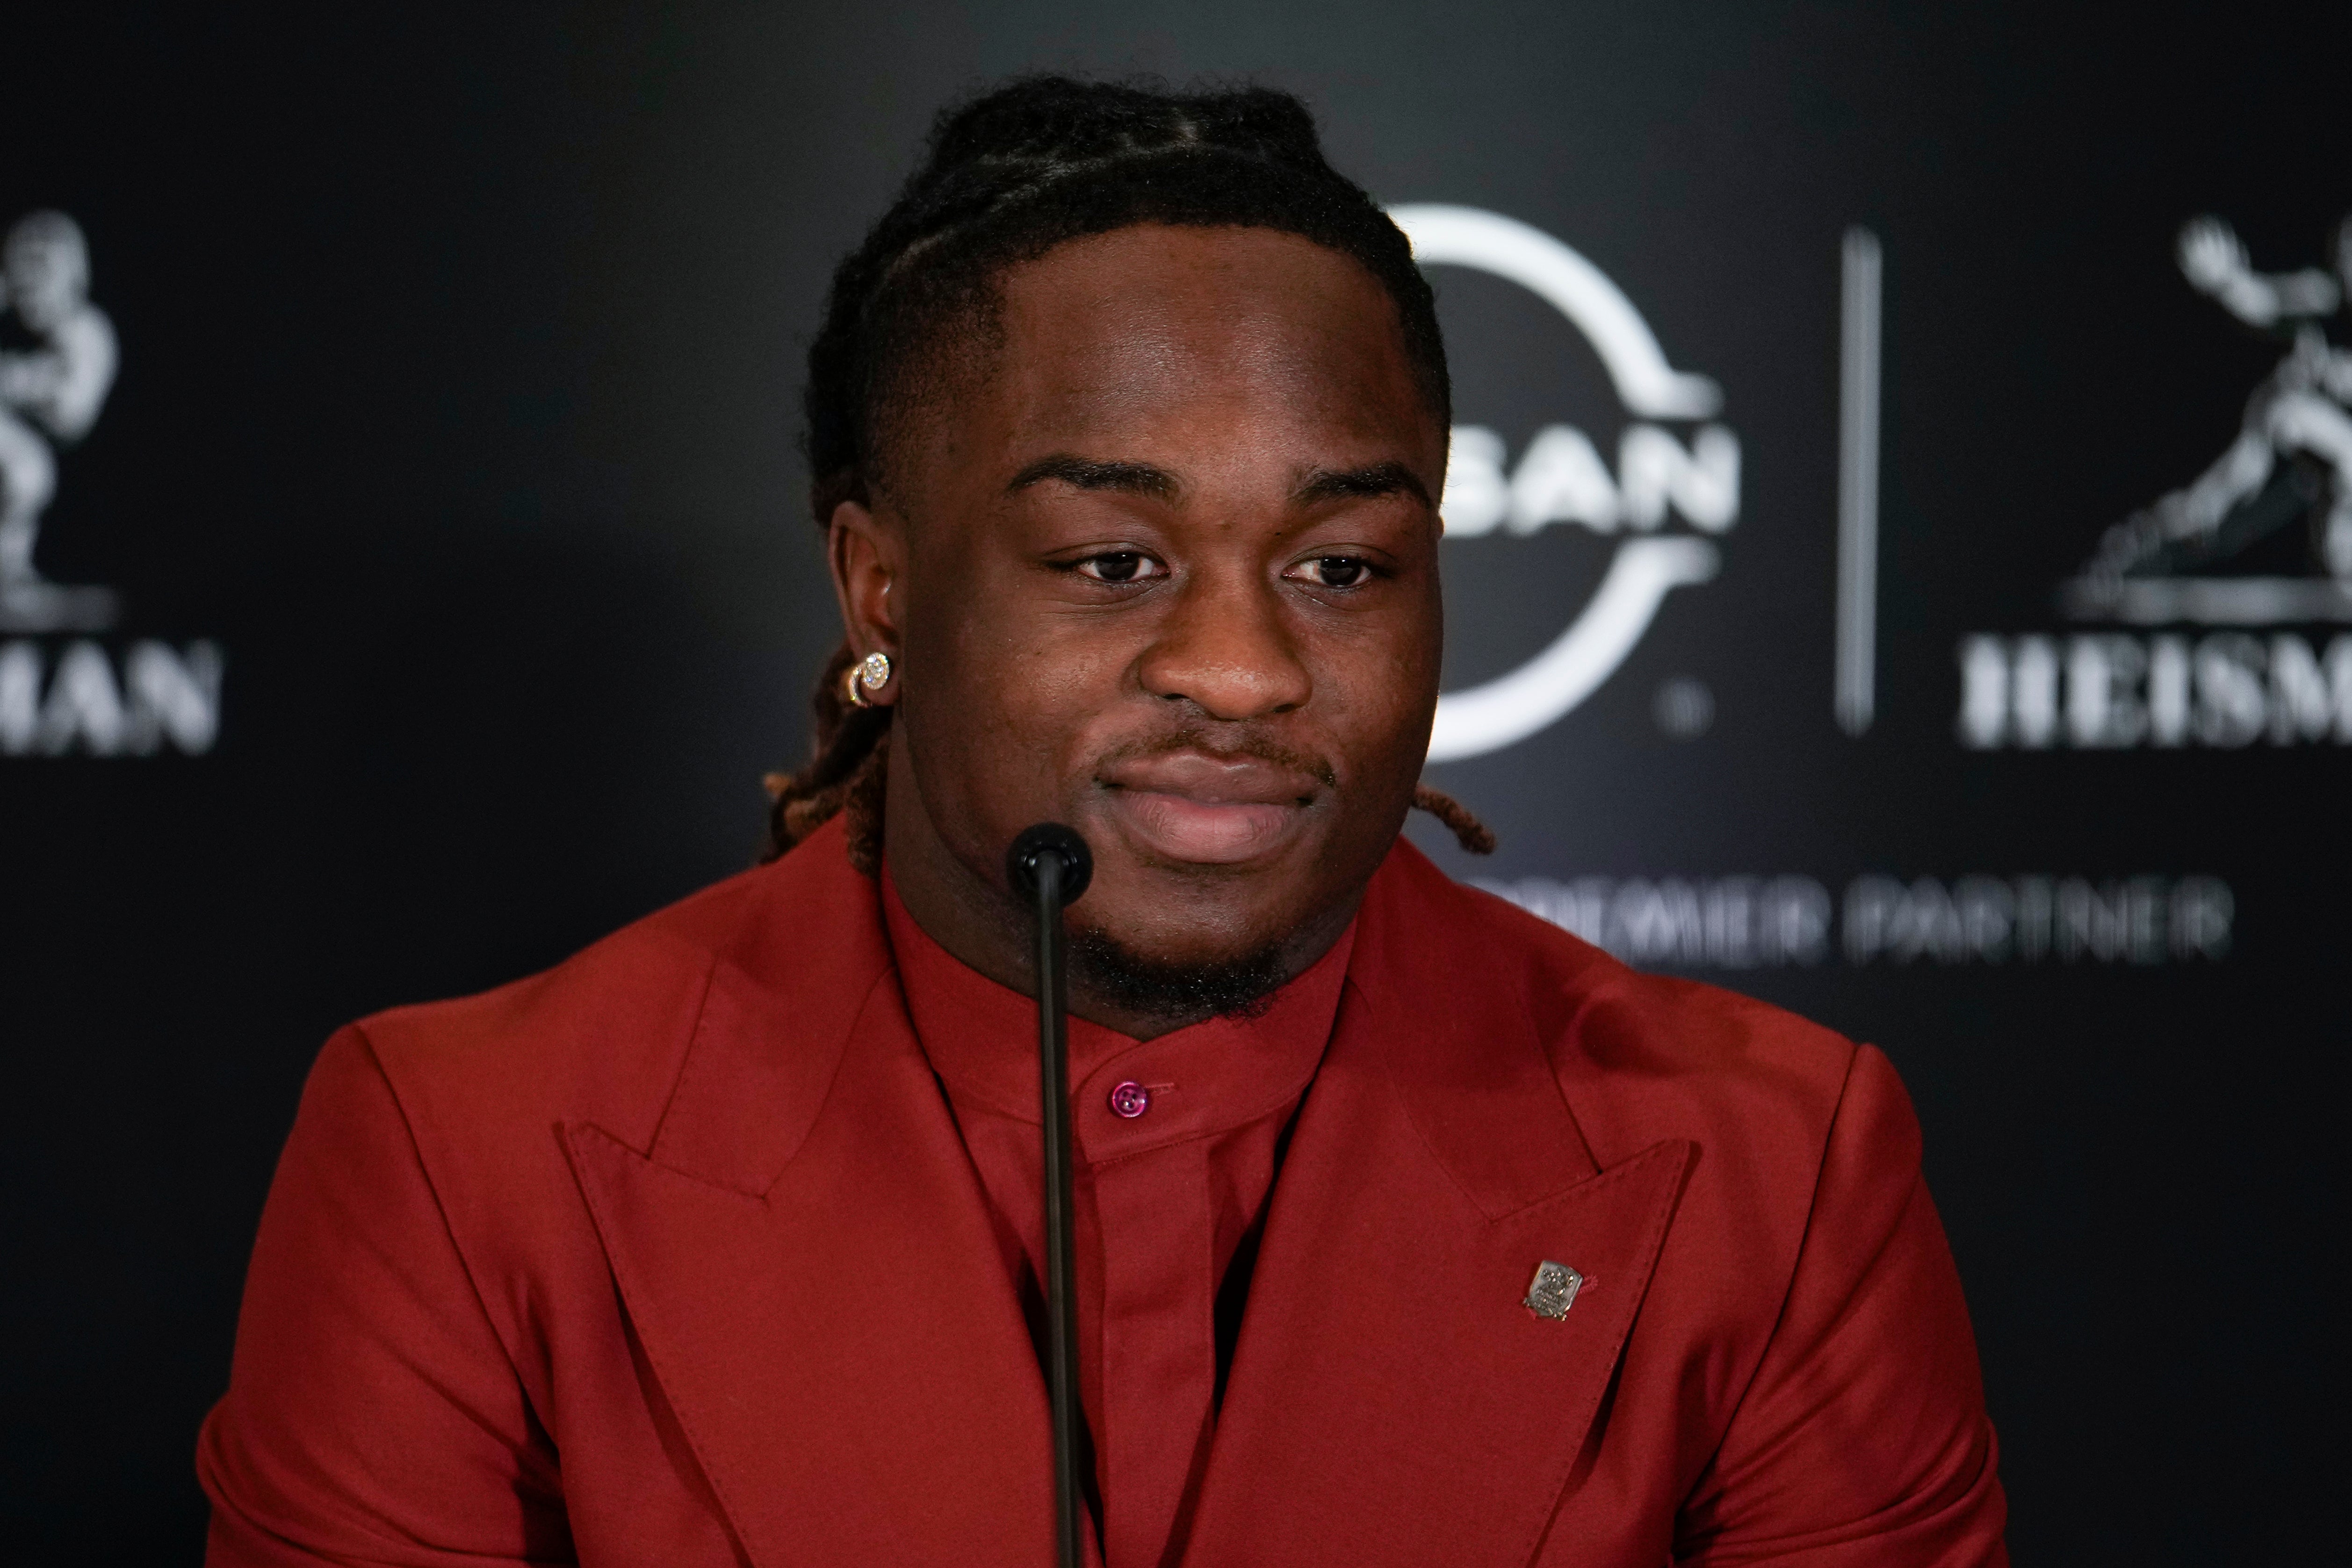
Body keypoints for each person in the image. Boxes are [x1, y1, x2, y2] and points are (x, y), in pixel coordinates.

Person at [199, 78, 2007, 1566]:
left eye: (1342, 564)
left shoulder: (1772, 1167)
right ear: (881, 584)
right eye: (1113, 559)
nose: (1240, 666)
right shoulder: (463, 1157)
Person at [0, 209, 119, 632]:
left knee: (28, 471)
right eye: (19, 266)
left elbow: (72, 413)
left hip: (84, 518)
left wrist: (21, 381)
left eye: (41, 266)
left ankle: (10, 577)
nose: (27, 281)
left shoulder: (85, 333)